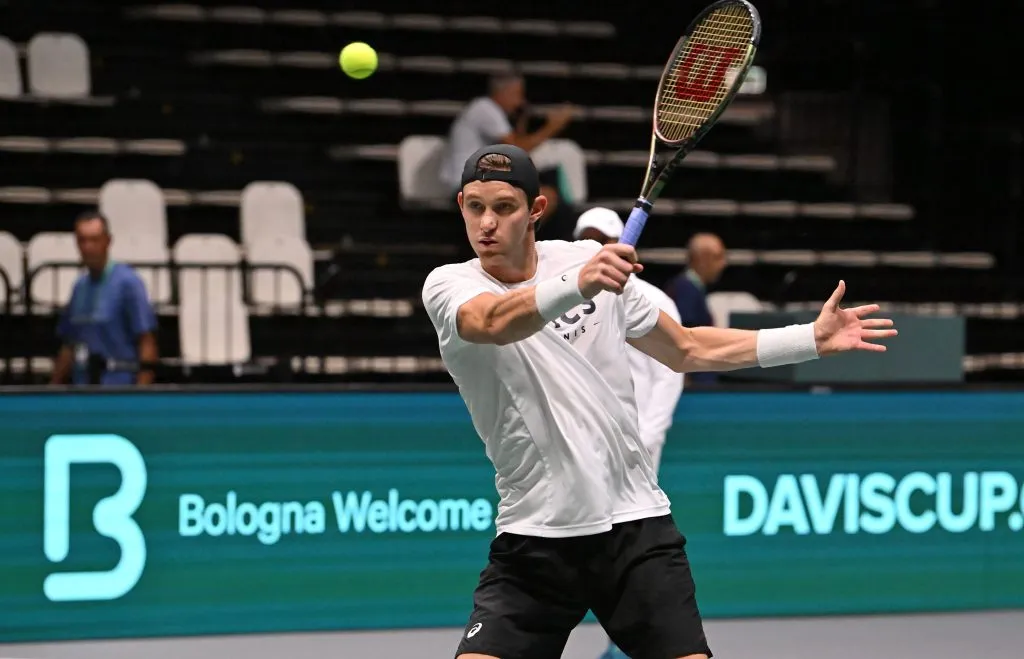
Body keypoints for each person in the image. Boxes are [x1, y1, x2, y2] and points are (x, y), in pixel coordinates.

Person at [422, 144, 896, 659]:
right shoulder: (451, 284)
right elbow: (490, 323)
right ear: (461, 204)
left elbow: (686, 348)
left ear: (535, 210)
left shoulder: (585, 261)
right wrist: (578, 282)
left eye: (504, 207)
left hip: (633, 528)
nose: (486, 223)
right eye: (475, 207)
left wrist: (808, 340)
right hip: (534, 536)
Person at [439, 73, 574, 224]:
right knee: (545, 197)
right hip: (466, 184)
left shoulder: (488, 110)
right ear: (502, 92)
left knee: (544, 192)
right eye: (517, 95)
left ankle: (517, 242)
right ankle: (516, 244)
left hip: (480, 181)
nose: (521, 101)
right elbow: (516, 149)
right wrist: (552, 127)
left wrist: (521, 120)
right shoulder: (485, 108)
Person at [50, 211, 158, 386]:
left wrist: (140, 395)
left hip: (119, 391)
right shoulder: (79, 287)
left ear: (108, 241)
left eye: (94, 240)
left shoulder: (129, 283)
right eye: (82, 240)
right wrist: (53, 387)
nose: (88, 247)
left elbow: (146, 342)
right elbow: (69, 344)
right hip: (83, 391)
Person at [664, 232, 728, 385]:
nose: (723, 264)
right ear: (702, 258)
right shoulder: (686, 289)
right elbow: (684, 337)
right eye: (718, 257)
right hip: (695, 385)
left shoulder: (691, 288)